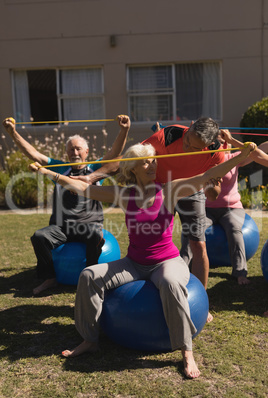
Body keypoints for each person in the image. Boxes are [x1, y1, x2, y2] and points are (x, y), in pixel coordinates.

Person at [29, 139, 255, 378]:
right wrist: (49, 173)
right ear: (132, 168)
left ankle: (186, 350)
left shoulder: (169, 190)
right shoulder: (125, 195)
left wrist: (241, 158)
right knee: (88, 275)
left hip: (167, 261)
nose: (151, 166)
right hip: (134, 263)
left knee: (171, 282)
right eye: (145, 163)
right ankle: (89, 339)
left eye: (153, 161)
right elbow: (84, 188)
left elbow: (206, 176)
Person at [2, 115, 130, 295]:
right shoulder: (60, 168)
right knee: (39, 237)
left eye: (78, 149)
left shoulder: (96, 169)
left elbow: (114, 154)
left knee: (94, 234)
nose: (74, 153)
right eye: (70, 150)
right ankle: (50, 278)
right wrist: (13, 133)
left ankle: (91, 276)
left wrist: (124, 130)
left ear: (87, 151)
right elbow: (34, 154)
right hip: (62, 227)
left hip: (88, 226)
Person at [143, 118, 225, 322]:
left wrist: (212, 185)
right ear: (189, 128)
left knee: (198, 246)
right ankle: (149, 291)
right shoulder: (165, 136)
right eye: (188, 140)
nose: (187, 146)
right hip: (162, 188)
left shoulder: (216, 152)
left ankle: (202, 302)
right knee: (154, 242)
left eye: (194, 147)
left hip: (192, 192)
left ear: (206, 146)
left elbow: (213, 195)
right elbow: (137, 157)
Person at [181, 131, 268, 285]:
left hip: (232, 208)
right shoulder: (205, 160)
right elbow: (184, 150)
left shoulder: (235, 158)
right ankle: (182, 269)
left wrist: (233, 139)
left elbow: (258, 151)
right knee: (192, 232)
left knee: (235, 230)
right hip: (207, 209)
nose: (219, 144)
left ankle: (240, 273)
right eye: (216, 141)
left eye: (222, 141)